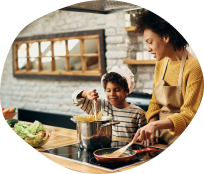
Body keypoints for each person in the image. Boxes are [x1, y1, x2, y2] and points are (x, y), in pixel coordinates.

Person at [131, 10, 204, 146]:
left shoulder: (194, 67)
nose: (148, 49)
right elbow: (154, 103)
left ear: (166, 37)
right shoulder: (161, 62)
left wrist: (155, 126)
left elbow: (190, 115)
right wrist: (151, 128)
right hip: (158, 138)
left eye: (150, 42)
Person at [72, 66, 147, 139]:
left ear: (126, 91)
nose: (112, 94)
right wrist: (86, 93)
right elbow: (76, 100)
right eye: (108, 91)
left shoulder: (138, 113)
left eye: (117, 90)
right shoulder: (99, 106)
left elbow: (145, 136)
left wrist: (141, 137)